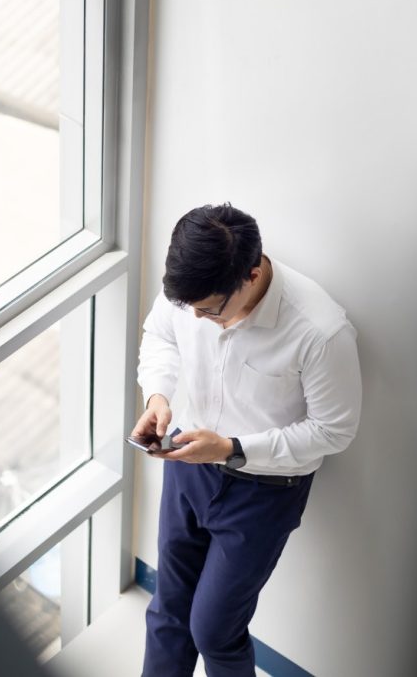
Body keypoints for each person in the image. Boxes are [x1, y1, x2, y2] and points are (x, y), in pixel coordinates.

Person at [133, 203, 362, 677]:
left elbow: (334, 429)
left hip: (263, 493)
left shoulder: (320, 331)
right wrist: (157, 395)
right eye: (187, 308)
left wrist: (233, 448)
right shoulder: (191, 289)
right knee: (168, 609)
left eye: (209, 311)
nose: (195, 318)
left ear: (252, 274)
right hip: (186, 465)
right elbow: (160, 336)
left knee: (214, 630)